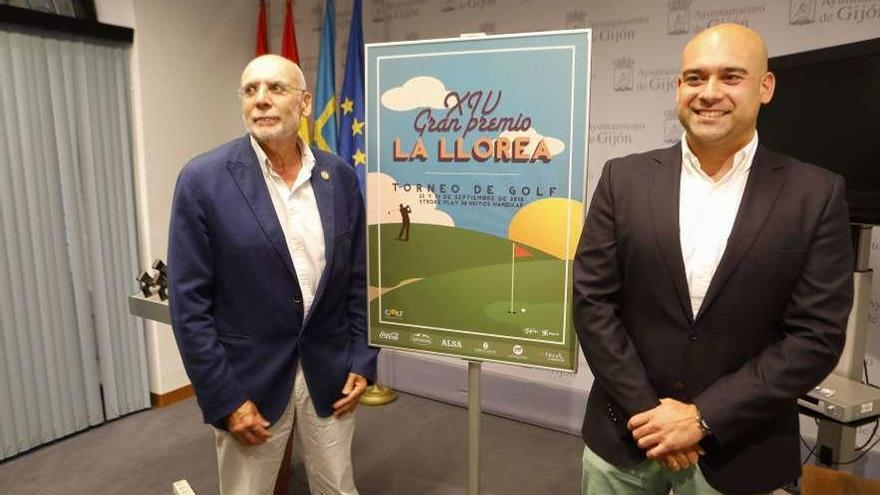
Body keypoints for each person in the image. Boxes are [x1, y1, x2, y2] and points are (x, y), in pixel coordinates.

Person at [573, 24, 853, 495]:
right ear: (679, 87)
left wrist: (703, 418)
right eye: (695, 78)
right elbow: (592, 302)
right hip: (624, 440)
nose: (709, 93)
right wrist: (652, 416)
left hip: (743, 452)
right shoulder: (623, 179)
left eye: (730, 77)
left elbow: (816, 336)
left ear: (765, 87)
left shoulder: (816, 194)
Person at [168, 54, 376, 495]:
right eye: (250, 90)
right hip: (249, 384)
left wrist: (362, 356)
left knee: (337, 487)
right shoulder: (203, 180)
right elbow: (189, 308)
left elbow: (355, 276)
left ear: (304, 104)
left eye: (275, 89)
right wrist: (224, 397)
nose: (260, 100)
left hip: (331, 376)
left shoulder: (337, 176)